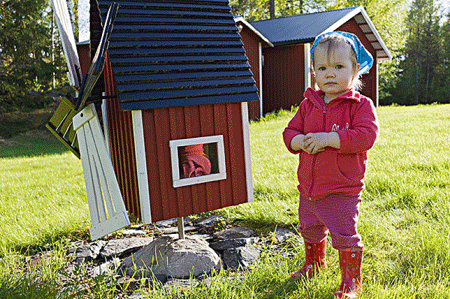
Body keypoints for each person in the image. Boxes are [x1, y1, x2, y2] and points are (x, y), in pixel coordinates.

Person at [282, 31, 379, 298]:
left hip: (342, 189)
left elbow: (366, 136)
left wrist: (331, 139)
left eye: (339, 67)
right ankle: (314, 263)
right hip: (309, 188)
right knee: (309, 227)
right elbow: (289, 133)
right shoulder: (308, 104)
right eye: (322, 68)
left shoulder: (359, 106)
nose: (330, 74)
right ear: (314, 71)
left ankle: (351, 281)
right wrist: (299, 141)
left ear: (355, 69)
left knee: (344, 233)